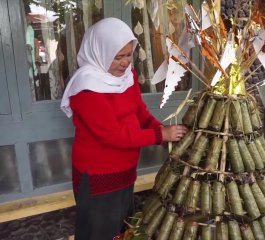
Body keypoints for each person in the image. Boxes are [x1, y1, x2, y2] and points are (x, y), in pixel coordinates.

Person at [60, 18, 188, 240]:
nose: (124, 62)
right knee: (99, 231)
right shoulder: (86, 87)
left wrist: (160, 128)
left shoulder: (127, 77)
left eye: (128, 55)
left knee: (122, 228)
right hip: (98, 175)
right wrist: (160, 135)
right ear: (99, 52)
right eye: (117, 57)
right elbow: (112, 135)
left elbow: (139, 111)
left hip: (125, 172)